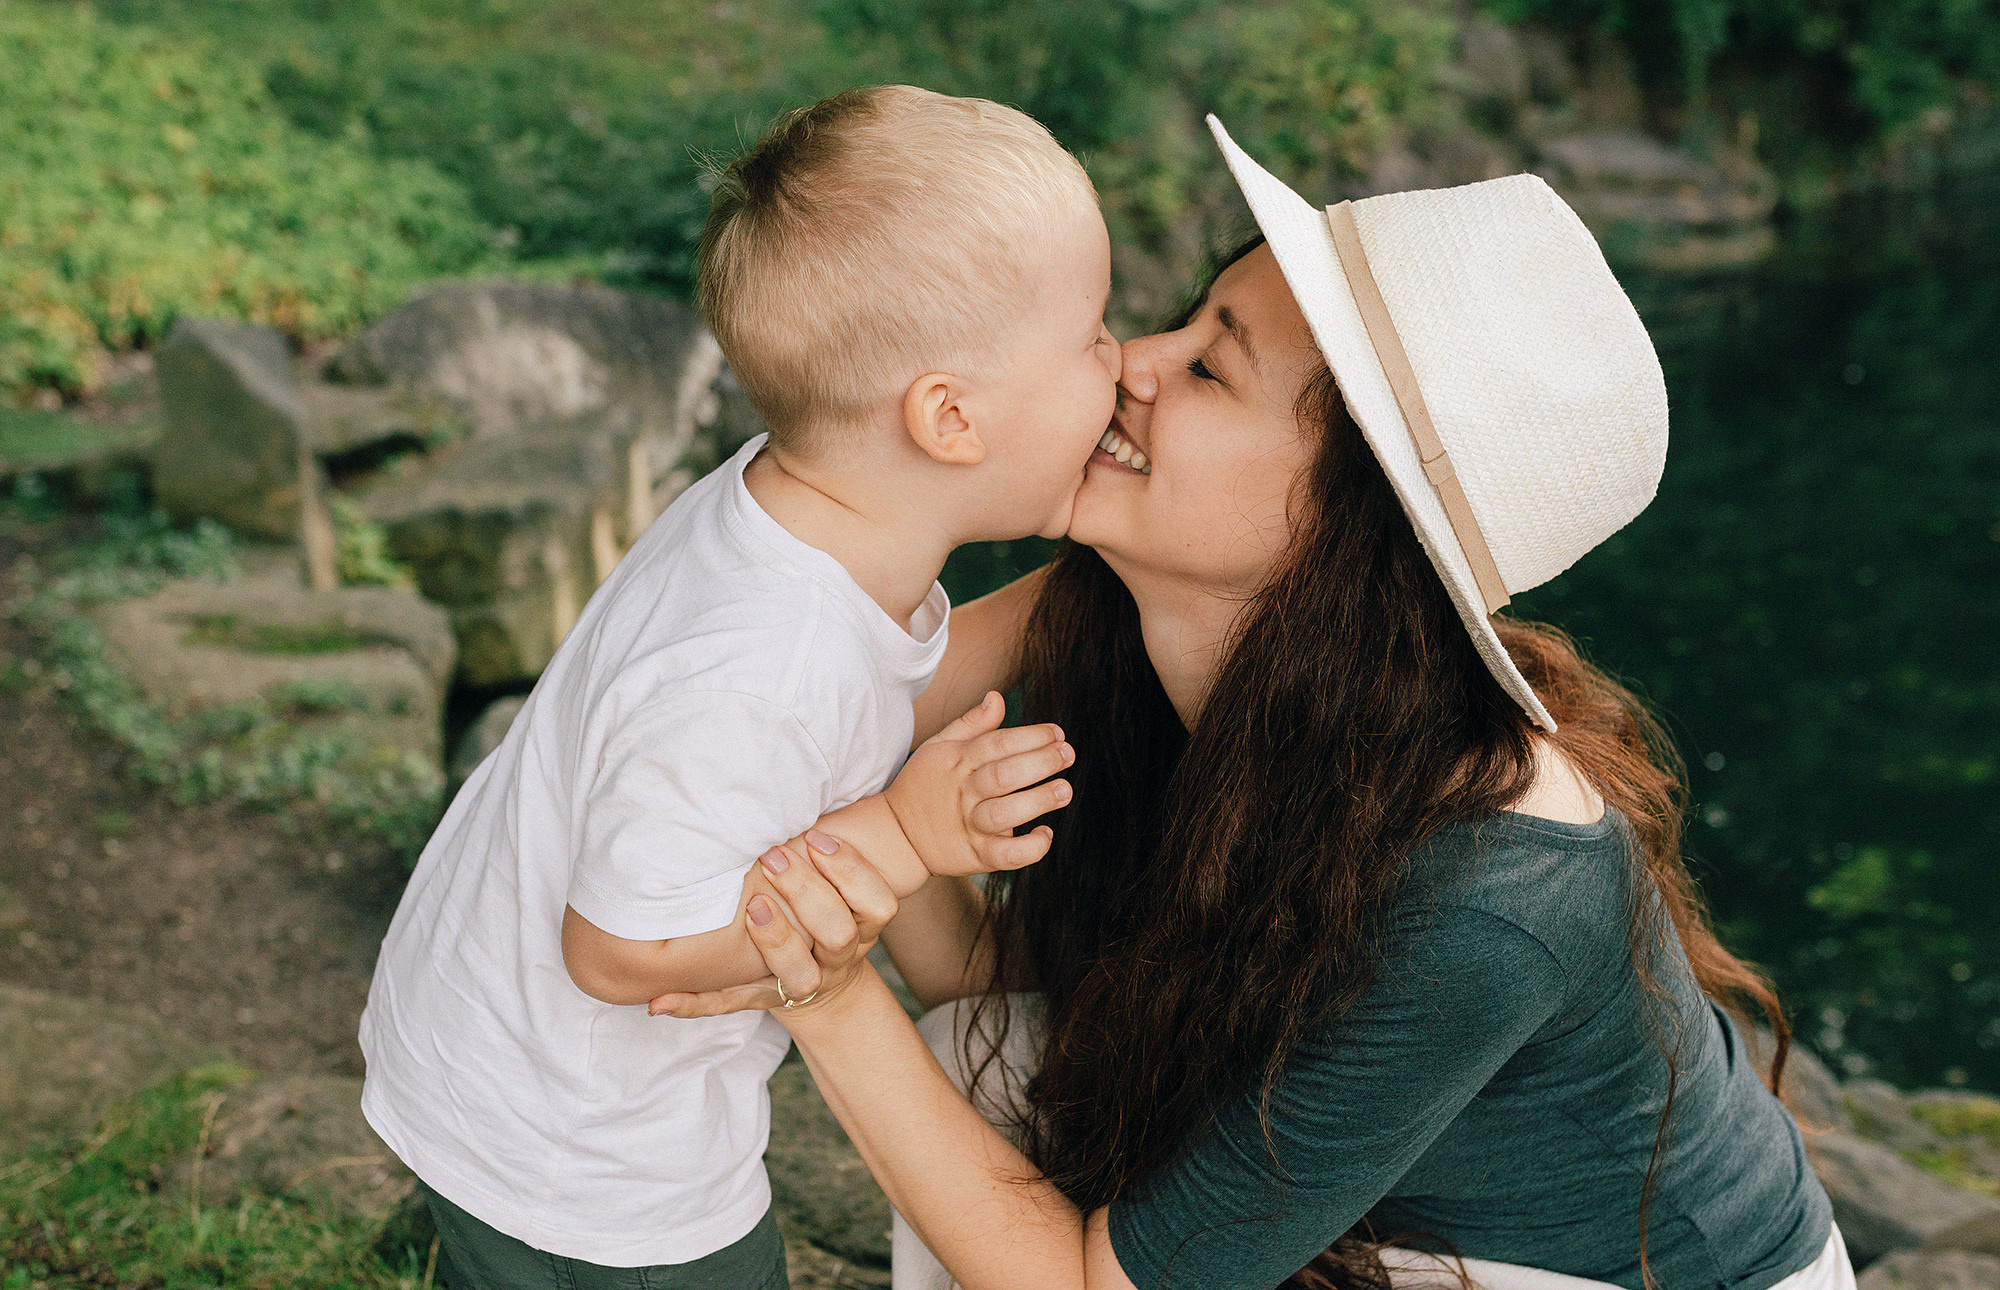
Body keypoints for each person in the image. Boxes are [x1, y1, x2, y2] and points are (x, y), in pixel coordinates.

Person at [651, 119, 1855, 1290]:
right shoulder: (1135, 609)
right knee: (994, 1082)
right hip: (1399, 1216)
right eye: (1181, 321)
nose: (1133, 362)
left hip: (1615, 1273)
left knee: (979, 1114)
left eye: (1209, 367)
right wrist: (868, 862)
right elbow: (849, 737)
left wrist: (816, 973)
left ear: (1341, 524)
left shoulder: (1490, 893)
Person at [357, 85, 1122, 1288]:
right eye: (1091, 334)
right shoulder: (759, 654)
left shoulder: (806, 513)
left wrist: (1112, 568)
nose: (1120, 366)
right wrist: (900, 831)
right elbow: (618, 950)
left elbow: (868, 699)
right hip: (585, 1139)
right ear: (950, 417)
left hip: (496, 1062)